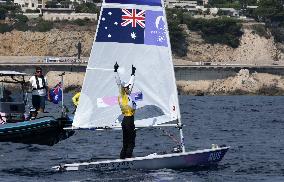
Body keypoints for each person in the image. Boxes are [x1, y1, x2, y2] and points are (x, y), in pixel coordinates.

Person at [114, 62, 137, 159]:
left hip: (127, 120)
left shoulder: (128, 94)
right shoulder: (123, 95)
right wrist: (115, 71)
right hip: (128, 120)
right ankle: (128, 157)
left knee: (127, 141)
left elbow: (131, 84)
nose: (129, 88)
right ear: (124, 89)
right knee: (130, 141)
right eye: (127, 87)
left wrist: (133, 74)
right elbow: (119, 83)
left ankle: (123, 157)